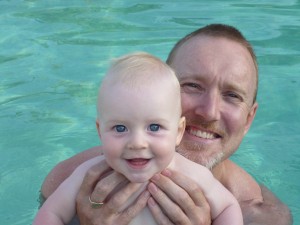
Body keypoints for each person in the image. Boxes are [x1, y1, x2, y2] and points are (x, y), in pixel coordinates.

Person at [41, 24, 292, 225]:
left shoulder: (261, 217)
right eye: (192, 85)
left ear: (249, 119)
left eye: (232, 95)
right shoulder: (69, 180)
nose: (209, 112)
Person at [33, 52, 243, 225]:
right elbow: (51, 213)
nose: (137, 142)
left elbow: (228, 207)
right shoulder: (87, 175)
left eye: (154, 127)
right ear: (100, 131)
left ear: (178, 132)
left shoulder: (193, 175)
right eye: (120, 127)